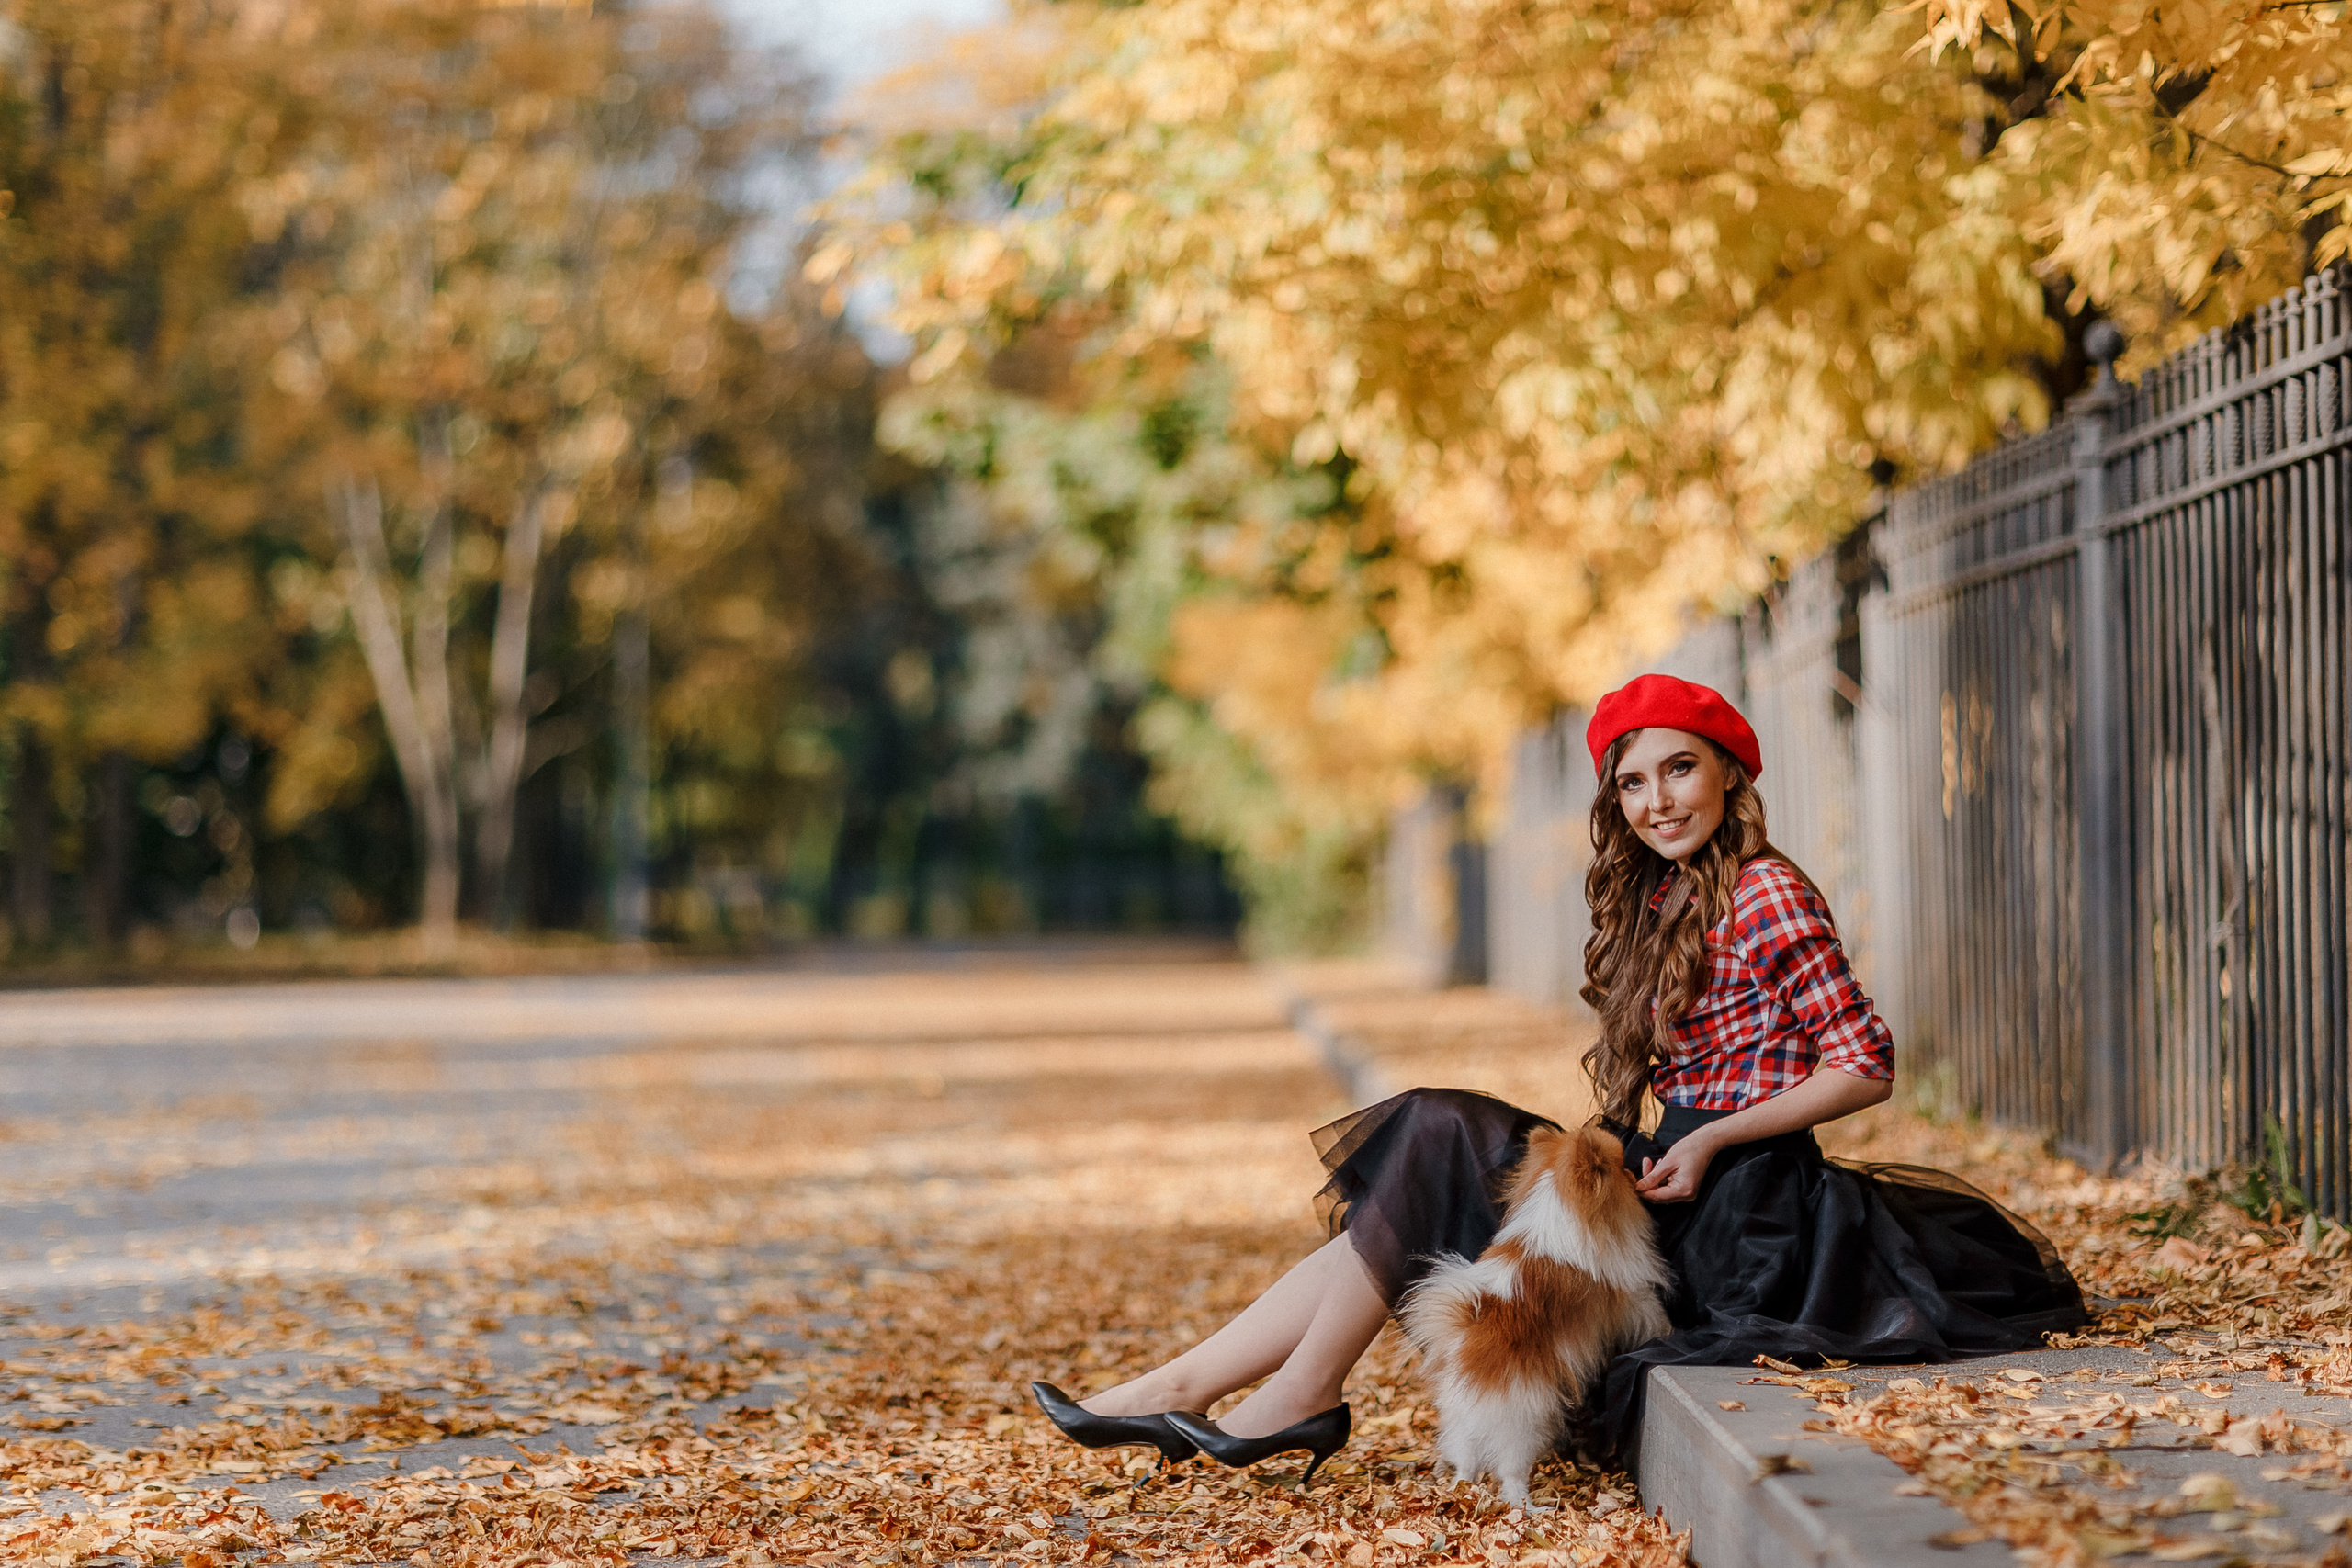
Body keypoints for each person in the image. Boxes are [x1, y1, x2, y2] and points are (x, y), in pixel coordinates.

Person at [1030, 673, 2086, 1485]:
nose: (1656, 800)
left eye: (1678, 769)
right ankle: (1201, 1387)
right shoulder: (1664, 898)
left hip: (1744, 1212)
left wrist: (1715, 1137)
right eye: (1632, 781)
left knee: (1435, 1131)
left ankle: (1282, 1392)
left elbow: (1866, 1066)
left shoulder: (1766, 891)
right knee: (1430, 1147)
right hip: (1672, 1173)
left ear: (1728, 773)